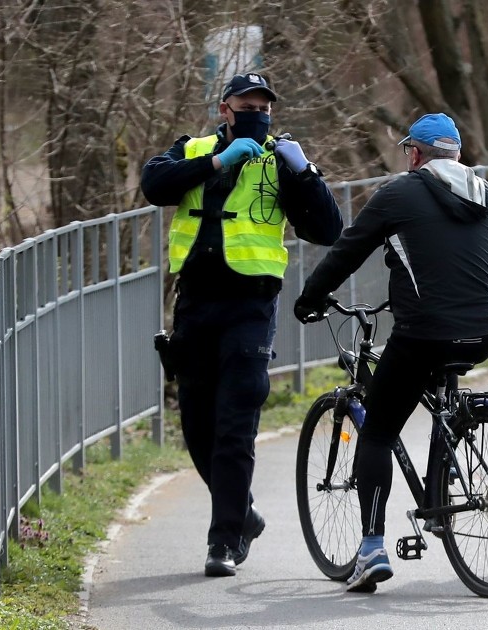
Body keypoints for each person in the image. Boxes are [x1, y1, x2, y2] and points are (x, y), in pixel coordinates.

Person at [141, 72, 343, 578]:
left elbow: (327, 230)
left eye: (264, 106)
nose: (257, 112)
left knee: (235, 425)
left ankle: (224, 540)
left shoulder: (282, 160)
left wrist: (309, 173)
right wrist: (214, 162)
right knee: (197, 425)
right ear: (225, 110)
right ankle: (244, 512)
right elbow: (153, 185)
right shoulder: (195, 147)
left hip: (251, 308)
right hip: (196, 304)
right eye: (246, 104)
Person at [294, 113, 488, 593]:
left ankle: (371, 549)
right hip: (483, 331)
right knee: (436, 392)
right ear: (456, 154)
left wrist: (309, 298)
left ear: (415, 155)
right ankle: (441, 489)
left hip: (424, 332)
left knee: (379, 429)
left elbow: (348, 250)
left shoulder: (398, 192)